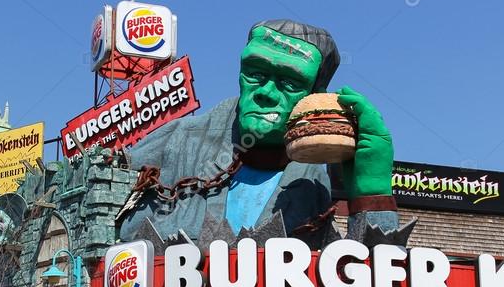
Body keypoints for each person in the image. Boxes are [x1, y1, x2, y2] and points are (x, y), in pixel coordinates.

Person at [119, 20, 406, 254]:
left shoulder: (312, 185)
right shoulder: (177, 143)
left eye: (290, 82)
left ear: (314, 97)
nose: (266, 93)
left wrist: (372, 194)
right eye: (255, 73)